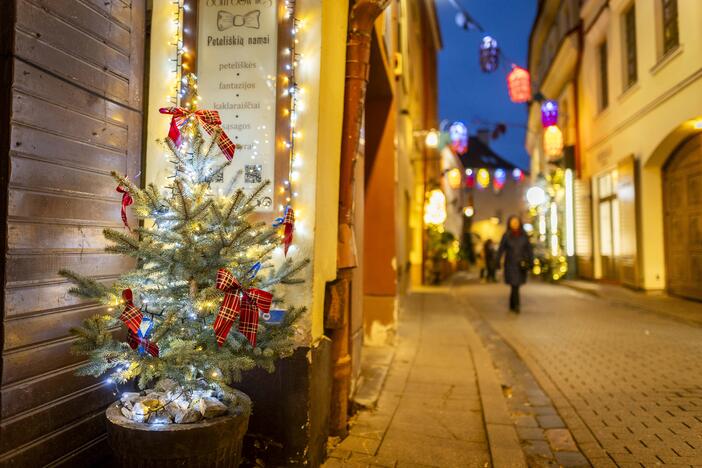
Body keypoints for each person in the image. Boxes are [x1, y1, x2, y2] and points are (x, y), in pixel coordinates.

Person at [497, 216, 534, 313]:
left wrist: (531, 262)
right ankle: (516, 305)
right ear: (509, 223)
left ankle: (512, 304)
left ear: (519, 223)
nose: (515, 224)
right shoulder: (506, 235)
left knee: (516, 285)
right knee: (514, 285)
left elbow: (529, 250)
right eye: (512, 222)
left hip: (521, 264)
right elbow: (501, 249)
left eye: (516, 222)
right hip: (510, 264)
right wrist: (497, 261)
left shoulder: (524, 235)